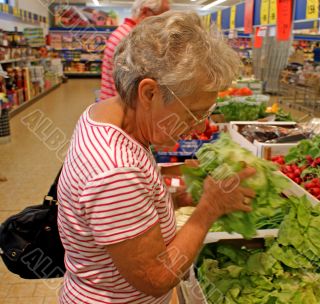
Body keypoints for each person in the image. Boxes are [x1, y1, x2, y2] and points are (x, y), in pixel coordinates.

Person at [58, 11, 256, 304]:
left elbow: (121, 210)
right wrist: (208, 210)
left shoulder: (104, 115)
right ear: (149, 93)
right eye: (196, 112)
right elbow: (155, 277)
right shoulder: (116, 170)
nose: (203, 126)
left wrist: (174, 195)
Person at [99, 0, 170, 101]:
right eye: (162, 16)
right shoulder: (129, 39)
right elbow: (130, 89)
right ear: (145, 12)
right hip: (119, 111)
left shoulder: (127, 33)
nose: (164, 22)